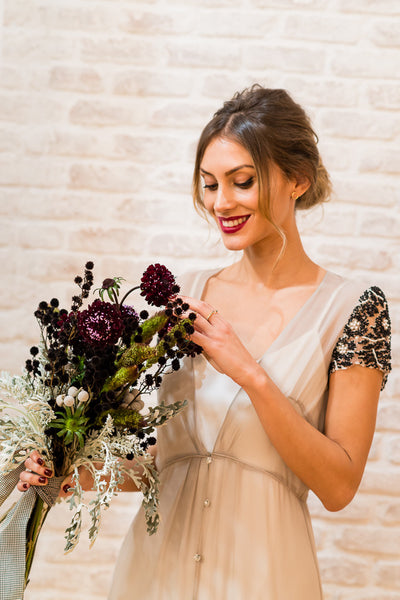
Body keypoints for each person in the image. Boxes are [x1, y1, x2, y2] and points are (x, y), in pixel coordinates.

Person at [19, 86, 391, 599]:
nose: (222, 203)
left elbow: (339, 486)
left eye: (243, 182)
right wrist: (72, 468)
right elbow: (163, 460)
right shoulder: (187, 295)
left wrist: (251, 374)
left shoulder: (354, 310)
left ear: (297, 180)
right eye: (210, 184)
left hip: (265, 578)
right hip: (154, 575)